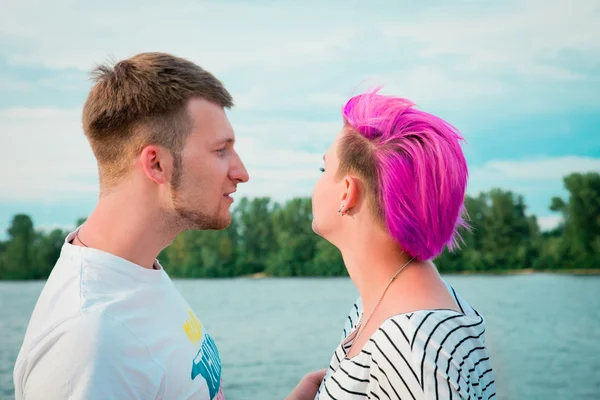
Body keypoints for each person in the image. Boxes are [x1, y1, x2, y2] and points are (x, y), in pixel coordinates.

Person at [13, 52, 324, 400]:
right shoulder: (90, 339)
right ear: (157, 164)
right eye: (221, 150)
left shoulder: (136, 275)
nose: (241, 172)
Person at [311, 89, 496, 399]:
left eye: (323, 170)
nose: (316, 183)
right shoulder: (374, 306)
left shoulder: (411, 346)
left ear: (346, 192)